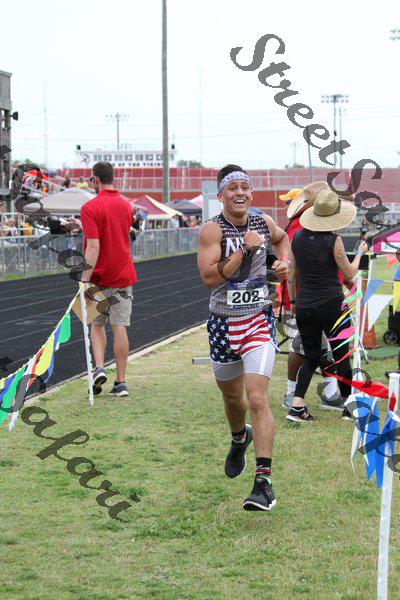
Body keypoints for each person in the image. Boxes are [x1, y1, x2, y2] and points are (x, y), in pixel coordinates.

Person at [198, 164, 289, 511]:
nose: (240, 193)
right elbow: (210, 278)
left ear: (251, 193)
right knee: (233, 399)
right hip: (223, 324)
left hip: (257, 321)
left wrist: (284, 263)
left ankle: (263, 483)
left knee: (257, 398)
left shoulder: (263, 223)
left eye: (244, 187)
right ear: (221, 195)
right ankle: (240, 438)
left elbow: (282, 238)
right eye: (232, 188)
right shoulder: (212, 230)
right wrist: (244, 251)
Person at [287, 189, 368, 421]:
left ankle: (296, 406)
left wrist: (293, 301)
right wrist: (360, 253)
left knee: (311, 356)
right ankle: (349, 407)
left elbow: (291, 274)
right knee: (342, 356)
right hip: (332, 305)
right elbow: (349, 272)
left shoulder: (297, 238)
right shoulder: (334, 240)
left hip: (304, 304)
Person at [279, 182, 345, 417]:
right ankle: (292, 395)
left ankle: (329, 393)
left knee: (320, 347)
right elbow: (293, 270)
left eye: (290, 201)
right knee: (302, 349)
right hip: (308, 299)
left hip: (310, 298)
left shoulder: (303, 226)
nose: (287, 205)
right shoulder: (300, 228)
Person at [80, 161, 137, 397]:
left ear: (95, 179)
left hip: (98, 277)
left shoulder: (89, 207)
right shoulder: (126, 206)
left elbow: (93, 247)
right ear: (113, 178)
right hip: (123, 275)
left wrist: (85, 279)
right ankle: (121, 382)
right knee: (119, 326)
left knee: (96, 324)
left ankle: (100, 367)